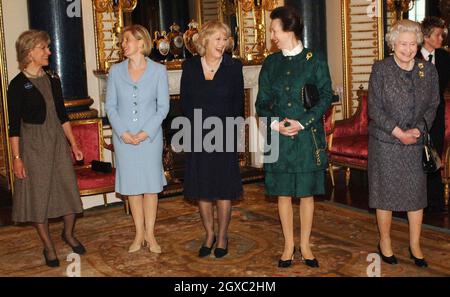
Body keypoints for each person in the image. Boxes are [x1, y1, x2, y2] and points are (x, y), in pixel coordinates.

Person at [255, 6, 332, 268]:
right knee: (283, 193)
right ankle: (289, 245)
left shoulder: (315, 59)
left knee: (307, 193)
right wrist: (275, 125)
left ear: (289, 29)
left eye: (275, 30)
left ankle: (306, 245)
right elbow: (261, 103)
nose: (272, 35)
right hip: (278, 139)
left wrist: (303, 122)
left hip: (307, 138)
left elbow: (325, 97)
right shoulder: (271, 63)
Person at [7, 30, 85, 268]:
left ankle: (68, 234)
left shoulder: (53, 79)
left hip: (57, 144)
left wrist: (73, 143)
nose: (49, 52)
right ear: (30, 52)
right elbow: (13, 126)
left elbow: (62, 115)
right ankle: (48, 246)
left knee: (68, 191)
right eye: (44, 48)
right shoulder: (17, 85)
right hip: (34, 147)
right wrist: (17, 158)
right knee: (39, 198)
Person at [368, 20, 440, 268]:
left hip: (415, 143)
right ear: (392, 44)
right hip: (386, 142)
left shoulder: (427, 71)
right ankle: (385, 241)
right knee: (385, 195)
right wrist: (398, 132)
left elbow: (433, 104)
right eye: (403, 44)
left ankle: (415, 245)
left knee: (415, 196)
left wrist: (419, 130)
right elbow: (374, 108)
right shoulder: (381, 69)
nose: (408, 49)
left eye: (412, 44)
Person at [180, 20, 244, 258]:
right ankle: (209, 234)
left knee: (224, 189)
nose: (222, 43)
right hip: (198, 135)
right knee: (203, 189)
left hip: (225, 134)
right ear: (205, 41)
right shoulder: (190, 67)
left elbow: (238, 105)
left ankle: (223, 236)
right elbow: (185, 103)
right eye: (217, 38)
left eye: (225, 39)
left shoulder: (233, 66)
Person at [105, 25, 169, 254]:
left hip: (149, 139)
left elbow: (163, 108)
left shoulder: (158, 71)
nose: (123, 44)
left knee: (150, 187)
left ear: (141, 43)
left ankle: (151, 234)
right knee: (132, 188)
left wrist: (144, 133)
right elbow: (110, 106)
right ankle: (138, 234)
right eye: (122, 41)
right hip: (124, 139)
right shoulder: (115, 71)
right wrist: (122, 132)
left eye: (127, 40)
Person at [416, 17, 450, 213]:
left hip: (437, 116)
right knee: (416, 155)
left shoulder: (445, 58)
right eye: (438, 35)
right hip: (415, 116)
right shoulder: (412, 56)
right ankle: (417, 199)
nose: (441, 38)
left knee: (434, 154)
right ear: (426, 36)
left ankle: (435, 202)